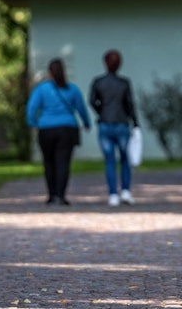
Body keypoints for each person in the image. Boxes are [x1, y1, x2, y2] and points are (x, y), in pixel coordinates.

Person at [26, 58, 91, 206]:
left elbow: (32, 107)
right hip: (67, 128)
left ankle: (51, 194)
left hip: (46, 129)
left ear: (49, 73)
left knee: (48, 162)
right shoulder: (72, 89)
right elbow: (81, 108)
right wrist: (86, 123)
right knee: (63, 163)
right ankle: (61, 195)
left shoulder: (42, 89)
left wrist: (32, 123)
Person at [89, 49, 139, 207]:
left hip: (104, 124)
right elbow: (130, 105)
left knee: (109, 161)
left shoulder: (98, 82)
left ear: (105, 63)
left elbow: (92, 101)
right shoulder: (124, 83)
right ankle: (125, 190)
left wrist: (101, 112)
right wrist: (135, 122)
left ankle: (112, 194)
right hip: (122, 124)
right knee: (125, 159)